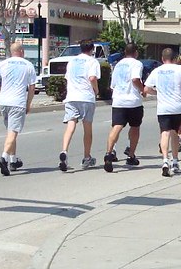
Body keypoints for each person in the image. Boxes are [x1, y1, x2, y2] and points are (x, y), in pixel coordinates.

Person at [0, 41, 37, 176]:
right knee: (13, 131)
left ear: (12, 52)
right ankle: (4, 157)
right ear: (22, 51)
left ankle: (13, 160)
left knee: (11, 131)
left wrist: (1, 91)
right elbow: (32, 87)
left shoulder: (4, 63)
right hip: (18, 102)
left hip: (4, 102)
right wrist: (28, 103)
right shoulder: (28, 65)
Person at [143, 47, 181, 177]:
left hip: (163, 108)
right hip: (177, 106)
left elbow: (146, 89)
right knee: (176, 133)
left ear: (162, 59)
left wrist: (157, 92)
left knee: (165, 133)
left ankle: (165, 160)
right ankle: (175, 161)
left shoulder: (157, 71)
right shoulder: (179, 68)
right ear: (175, 59)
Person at [59, 40, 100, 171]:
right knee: (87, 127)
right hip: (86, 97)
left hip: (71, 97)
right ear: (92, 49)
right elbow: (92, 78)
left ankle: (64, 151)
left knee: (70, 125)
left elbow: (67, 78)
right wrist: (96, 90)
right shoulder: (93, 61)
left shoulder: (72, 61)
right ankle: (87, 157)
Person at [104, 42, 144, 172]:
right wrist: (142, 89)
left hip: (118, 100)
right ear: (136, 52)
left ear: (125, 53)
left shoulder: (118, 65)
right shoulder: (137, 64)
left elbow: (113, 85)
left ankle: (109, 153)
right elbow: (135, 79)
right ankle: (131, 155)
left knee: (117, 126)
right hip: (133, 101)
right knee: (135, 127)